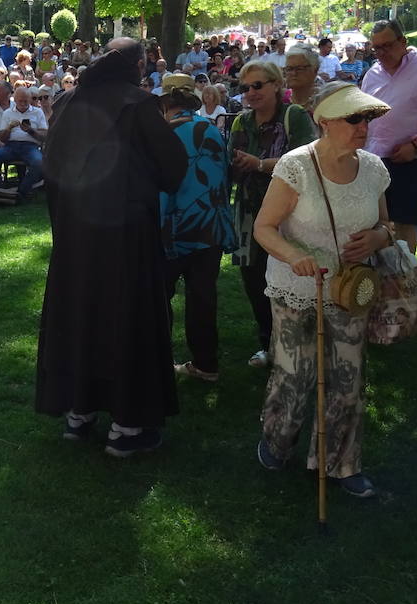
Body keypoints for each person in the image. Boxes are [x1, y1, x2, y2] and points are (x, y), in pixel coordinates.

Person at [35, 38, 186, 457]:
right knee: (126, 319)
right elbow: (172, 167)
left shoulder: (66, 102)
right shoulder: (138, 104)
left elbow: (51, 164)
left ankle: (79, 413)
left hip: (74, 238)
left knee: (82, 316)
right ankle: (127, 426)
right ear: (138, 65)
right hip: (125, 240)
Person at [253, 82, 394, 498]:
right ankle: (277, 440)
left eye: (366, 118)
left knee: (347, 377)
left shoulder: (373, 169)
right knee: (295, 375)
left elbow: (390, 225)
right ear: (324, 121)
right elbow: (264, 227)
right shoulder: (295, 166)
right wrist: (292, 254)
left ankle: (341, 462)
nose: (362, 126)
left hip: (351, 289)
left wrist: (377, 239)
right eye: (353, 118)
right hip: (297, 286)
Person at [227, 60, 315, 367]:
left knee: (292, 278)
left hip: (289, 216)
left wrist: (260, 164)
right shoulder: (240, 122)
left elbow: (307, 163)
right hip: (249, 213)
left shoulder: (294, 116)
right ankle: (268, 343)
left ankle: (298, 342)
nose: (251, 92)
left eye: (258, 85)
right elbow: (235, 169)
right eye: (245, 88)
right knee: (254, 282)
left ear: (276, 84)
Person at [158, 74, 236, 383]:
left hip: (173, 228)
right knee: (203, 296)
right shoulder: (212, 130)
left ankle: (158, 362)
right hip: (210, 228)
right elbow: (224, 176)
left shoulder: (164, 135)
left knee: (159, 298)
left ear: (165, 104)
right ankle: (206, 364)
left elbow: (162, 188)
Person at [361, 19, 417, 252]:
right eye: (377, 48)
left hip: (409, 160)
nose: (382, 53)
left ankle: (404, 281)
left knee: (403, 226)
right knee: (375, 224)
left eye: (387, 46)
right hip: (373, 160)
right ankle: (380, 281)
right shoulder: (372, 74)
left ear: (403, 42)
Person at [0, 82, 47, 201]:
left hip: (30, 146)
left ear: (30, 100)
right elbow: (2, 138)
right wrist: (9, 128)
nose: (23, 104)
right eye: (20, 101)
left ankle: (22, 192)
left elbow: (44, 136)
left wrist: (31, 131)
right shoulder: (8, 113)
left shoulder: (37, 112)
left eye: (25, 101)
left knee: (39, 162)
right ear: (15, 100)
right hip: (11, 146)